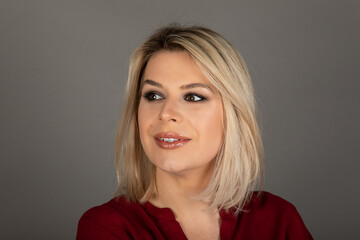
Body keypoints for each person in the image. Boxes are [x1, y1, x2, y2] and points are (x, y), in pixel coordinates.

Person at [76, 24, 313, 240]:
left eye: (193, 97)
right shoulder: (107, 228)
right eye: (153, 95)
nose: (166, 113)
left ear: (232, 113)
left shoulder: (279, 220)